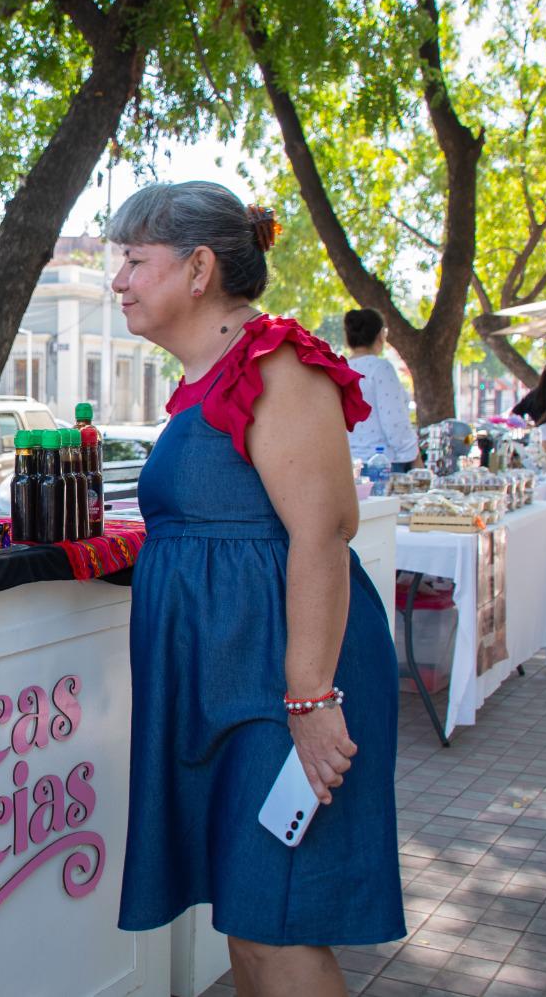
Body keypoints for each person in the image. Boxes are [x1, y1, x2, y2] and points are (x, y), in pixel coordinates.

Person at [106, 181, 404, 996]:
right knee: (248, 919)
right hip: (232, 683)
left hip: (283, 685)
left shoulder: (276, 362)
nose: (118, 279)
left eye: (134, 259)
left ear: (198, 268)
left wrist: (310, 701)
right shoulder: (215, 373)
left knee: (278, 926)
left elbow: (323, 530)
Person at [342, 308, 420, 472]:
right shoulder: (380, 369)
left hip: (349, 464)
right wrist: (414, 456)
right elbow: (394, 421)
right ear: (380, 335)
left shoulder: (340, 369)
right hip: (383, 464)